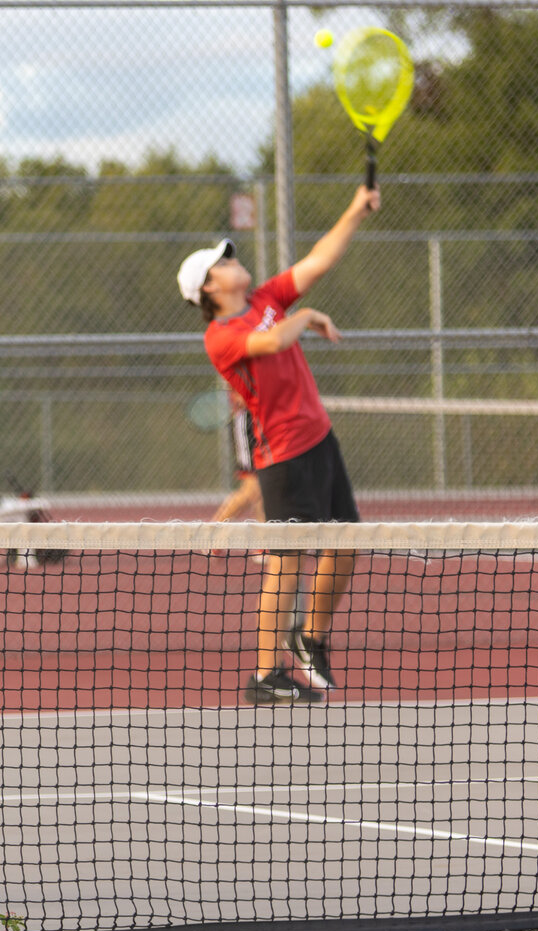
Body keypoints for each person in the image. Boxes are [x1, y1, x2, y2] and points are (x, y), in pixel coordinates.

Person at [177, 185, 380, 706]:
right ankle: (266, 673)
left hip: (319, 439)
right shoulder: (220, 335)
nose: (232, 260)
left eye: (230, 255)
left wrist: (354, 210)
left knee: (346, 543)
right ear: (208, 289)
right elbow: (271, 342)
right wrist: (308, 317)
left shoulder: (267, 298)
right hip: (283, 456)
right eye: (221, 263)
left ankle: (309, 635)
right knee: (287, 560)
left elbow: (319, 261)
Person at [210, 390, 264, 526]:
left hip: (261, 422)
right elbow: (241, 396)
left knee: (263, 494)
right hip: (248, 421)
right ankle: (212, 534)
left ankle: (263, 544)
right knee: (252, 488)